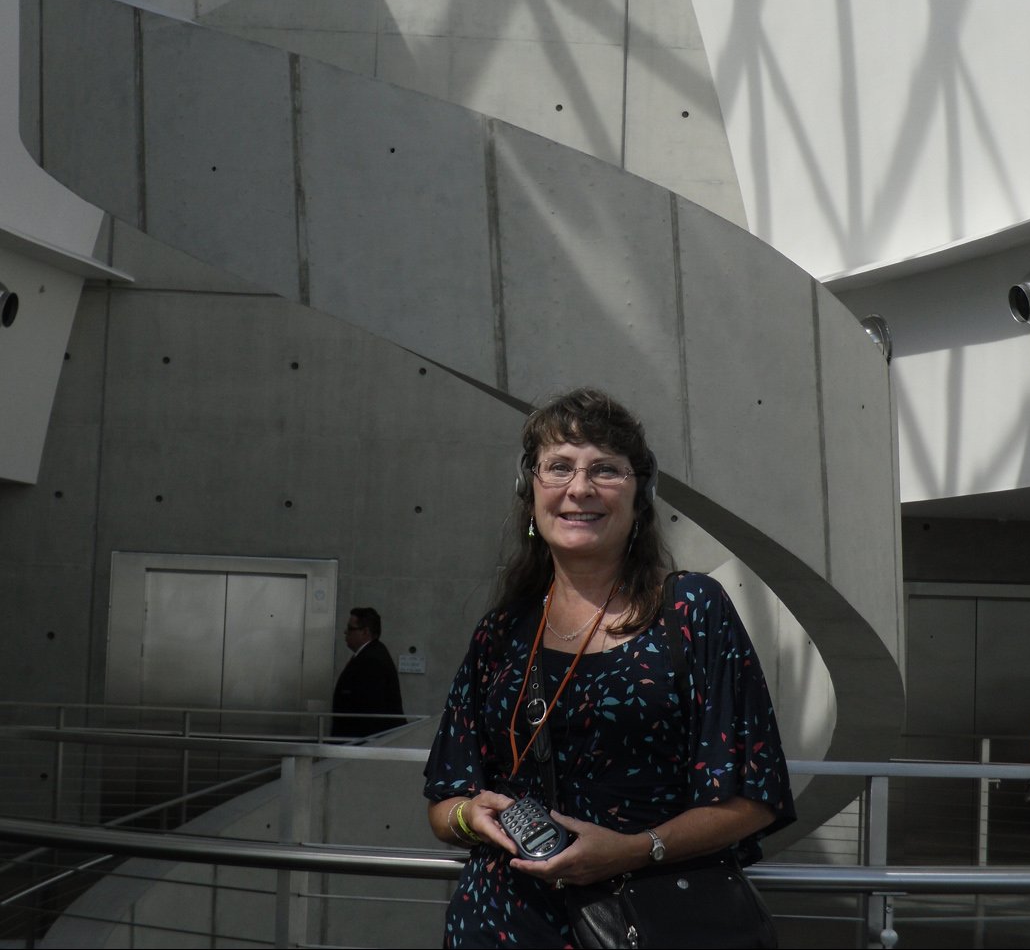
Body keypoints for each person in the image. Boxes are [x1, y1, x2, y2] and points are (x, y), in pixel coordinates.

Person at [424, 388, 795, 949]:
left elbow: (754, 797)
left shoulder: (692, 611)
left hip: (648, 922)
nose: (579, 489)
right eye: (558, 469)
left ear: (640, 498)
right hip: (499, 926)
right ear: (530, 496)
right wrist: (468, 817)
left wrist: (632, 849)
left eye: (605, 470)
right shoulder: (500, 633)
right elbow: (445, 799)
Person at [331, 606, 404, 739]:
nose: (345, 632)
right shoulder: (369, 655)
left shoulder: (372, 661)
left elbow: (371, 710)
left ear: (365, 632)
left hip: (361, 740)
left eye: (350, 628)